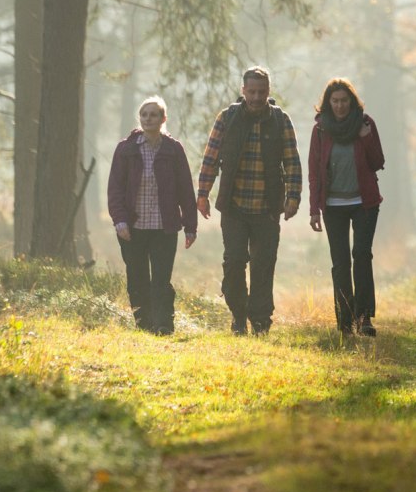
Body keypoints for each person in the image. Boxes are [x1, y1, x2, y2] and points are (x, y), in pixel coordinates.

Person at [196, 66, 302, 335]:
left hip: (267, 208)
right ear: (243, 91)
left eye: (261, 92)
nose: (256, 97)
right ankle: (238, 315)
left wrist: (294, 197)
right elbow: (210, 158)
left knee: (263, 264)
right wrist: (203, 193)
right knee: (233, 262)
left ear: (268, 92)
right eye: (252, 92)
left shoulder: (280, 121)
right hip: (234, 206)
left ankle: (261, 320)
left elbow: (292, 161)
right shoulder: (227, 118)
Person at [107, 96, 197, 335]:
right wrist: (120, 221)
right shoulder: (126, 149)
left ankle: (163, 325)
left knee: (161, 279)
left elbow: (185, 189)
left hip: (164, 227)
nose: (148, 119)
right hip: (133, 227)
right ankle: (143, 324)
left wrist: (190, 225)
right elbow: (115, 188)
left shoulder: (173, 149)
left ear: (163, 119)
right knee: (136, 279)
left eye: (154, 114)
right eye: (144, 114)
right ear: (140, 118)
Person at [307, 78, 385, 337]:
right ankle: (345, 321)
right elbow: (314, 172)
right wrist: (314, 209)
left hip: (364, 203)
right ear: (328, 103)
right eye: (335, 101)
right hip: (333, 206)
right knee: (340, 263)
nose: (340, 105)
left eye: (344, 101)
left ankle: (364, 318)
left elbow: (377, 161)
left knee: (362, 256)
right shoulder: (320, 130)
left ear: (351, 102)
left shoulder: (365, 124)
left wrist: (366, 139)